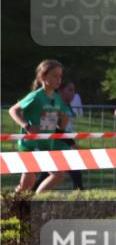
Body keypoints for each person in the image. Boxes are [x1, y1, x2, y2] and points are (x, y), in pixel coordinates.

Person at [8, 60, 71, 193]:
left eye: (60, 76)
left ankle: (17, 205)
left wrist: (63, 119)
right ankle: (31, 204)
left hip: (47, 144)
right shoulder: (35, 96)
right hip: (31, 144)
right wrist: (26, 125)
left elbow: (61, 125)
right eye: (54, 76)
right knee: (55, 175)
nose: (58, 79)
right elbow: (13, 110)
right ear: (43, 77)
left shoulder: (57, 98)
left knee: (28, 184)